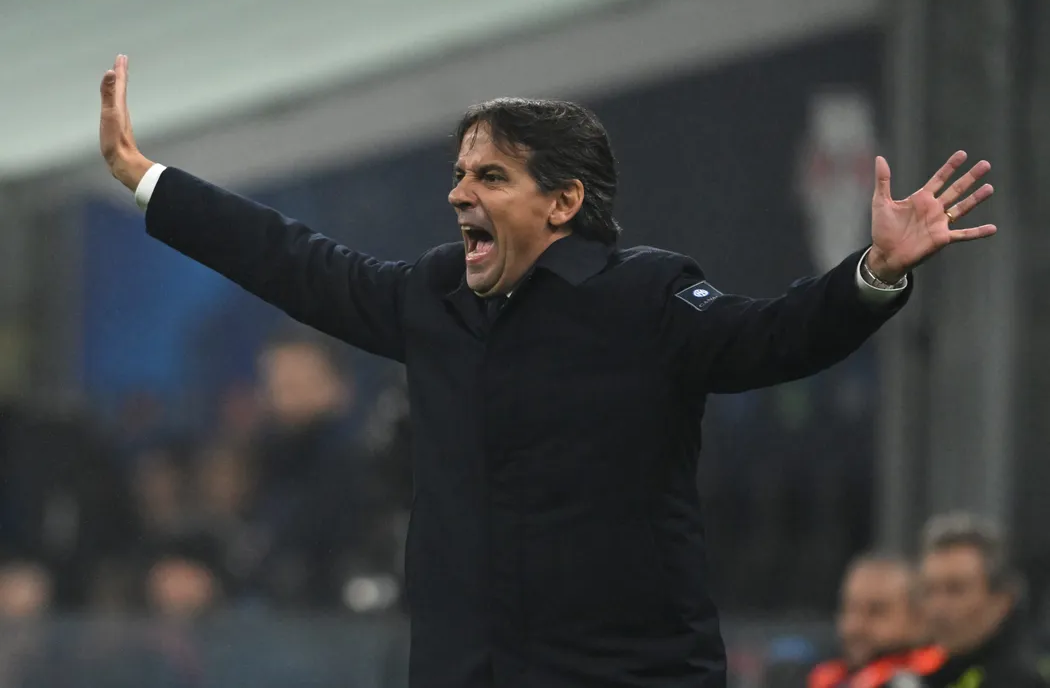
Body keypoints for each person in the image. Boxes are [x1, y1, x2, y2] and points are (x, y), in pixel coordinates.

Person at [98, 54, 996, 688]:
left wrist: (874, 272)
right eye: (460, 173)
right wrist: (148, 179)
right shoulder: (433, 295)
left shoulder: (645, 295)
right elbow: (288, 257)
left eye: (490, 176)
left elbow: (775, 339)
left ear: (563, 201)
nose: (459, 193)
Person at [919, 513, 1048, 688]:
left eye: (956, 590)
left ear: (1002, 599)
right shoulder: (931, 674)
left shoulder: (1019, 679)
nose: (937, 608)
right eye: (929, 590)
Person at [808, 553, 944, 688]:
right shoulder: (827, 678)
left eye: (876, 611)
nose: (856, 625)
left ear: (918, 619)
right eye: (850, 609)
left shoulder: (932, 678)